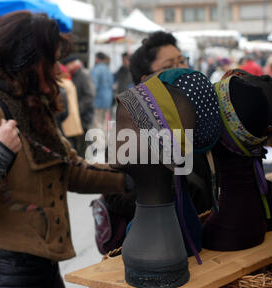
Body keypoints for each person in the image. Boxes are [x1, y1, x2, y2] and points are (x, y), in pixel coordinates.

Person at [0, 11, 127, 288]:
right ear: (29, 62)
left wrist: (132, 178)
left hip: (46, 271)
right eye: (52, 60)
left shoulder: (32, 105)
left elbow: (71, 169)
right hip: (5, 283)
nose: (58, 68)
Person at [95, 31, 213, 254]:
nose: (183, 69)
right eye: (170, 64)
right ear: (146, 80)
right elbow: (113, 192)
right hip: (154, 243)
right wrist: (159, 194)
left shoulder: (199, 118)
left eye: (182, 60)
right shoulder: (130, 127)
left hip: (204, 243)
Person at [62, 56, 95, 156]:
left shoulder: (82, 76)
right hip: (77, 116)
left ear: (72, 64)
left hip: (83, 116)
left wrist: (77, 110)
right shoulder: (73, 76)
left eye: (67, 65)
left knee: (82, 145)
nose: (66, 68)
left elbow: (89, 96)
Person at [90, 52, 114, 149]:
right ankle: (105, 145)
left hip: (98, 100)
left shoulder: (95, 70)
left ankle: (98, 147)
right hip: (107, 101)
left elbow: (92, 87)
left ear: (96, 59)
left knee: (96, 123)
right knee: (104, 123)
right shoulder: (108, 70)